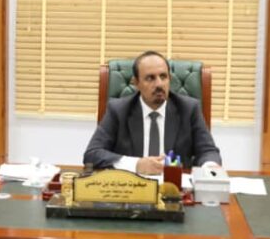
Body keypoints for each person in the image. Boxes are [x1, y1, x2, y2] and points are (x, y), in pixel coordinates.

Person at [84, 51, 221, 174]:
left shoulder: (189, 109)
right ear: (136, 83)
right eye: (150, 78)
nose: (159, 84)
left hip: (174, 187)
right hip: (133, 187)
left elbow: (208, 151)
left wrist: (210, 168)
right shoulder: (118, 110)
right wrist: (136, 164)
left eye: (163, 76)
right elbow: (92, 154)